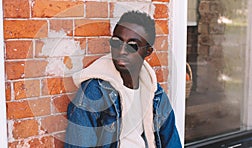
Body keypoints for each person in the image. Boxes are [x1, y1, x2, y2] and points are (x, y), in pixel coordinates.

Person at [65, 11, 181, 148]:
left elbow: (172, 142)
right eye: (116, 42)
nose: (121, 51)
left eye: (132, 45)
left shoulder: (155, 94)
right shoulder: (94, 92)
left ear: (148, 52)